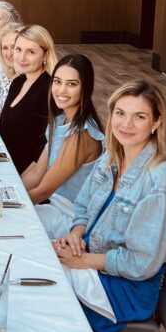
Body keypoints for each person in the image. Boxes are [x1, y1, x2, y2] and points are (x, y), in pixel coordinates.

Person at [52, 79, 166, 332]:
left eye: (139, 117)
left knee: (43, 297)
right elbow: (82, 207)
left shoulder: (160, 181)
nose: (126, 124)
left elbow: (141, 263)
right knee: (31, 267)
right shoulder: (112, 157)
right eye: (120, 113)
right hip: (93, 260)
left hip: (124, 290)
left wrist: (83, 261)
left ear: (156, 123)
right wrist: (76, 234)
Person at [22, 55, 105, 225]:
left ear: (85, 88)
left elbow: (44, 190)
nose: (61, 90)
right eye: (58, 82)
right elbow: (37, 173)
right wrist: (9, 191)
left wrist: (6, 205)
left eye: (72, 84)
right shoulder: (60, 121)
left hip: (70, 217)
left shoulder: (82, 135)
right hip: (52, 207)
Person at [0, 24, 57, 176]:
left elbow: (47, 147)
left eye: (30, 52)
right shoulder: (19, 81)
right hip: (3, 161)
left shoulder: (49, 90)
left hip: (23, 174)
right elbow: (3, 129)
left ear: (45, 55)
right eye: (18, 50)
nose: (21, 57)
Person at [0, 21, 23, 120]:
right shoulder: (5, 75)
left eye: (14, 47)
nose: (9, 53)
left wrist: (0, 117)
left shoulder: (28, 80)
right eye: (5, 48)